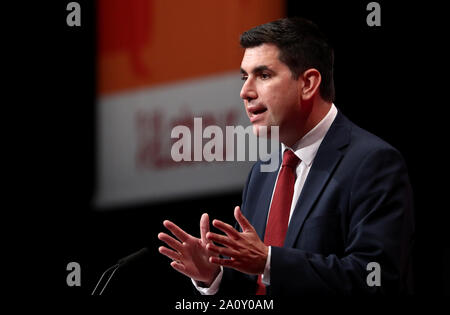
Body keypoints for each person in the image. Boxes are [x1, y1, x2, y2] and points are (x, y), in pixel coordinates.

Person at [158, 17, 414, 295]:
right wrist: (214, 276)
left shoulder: (372, 163)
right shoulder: (263, 172)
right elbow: (257, 286)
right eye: (245, 77)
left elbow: (376, 277)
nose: (245, 91)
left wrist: (269, 262)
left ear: (308, 83)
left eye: (263, 75)